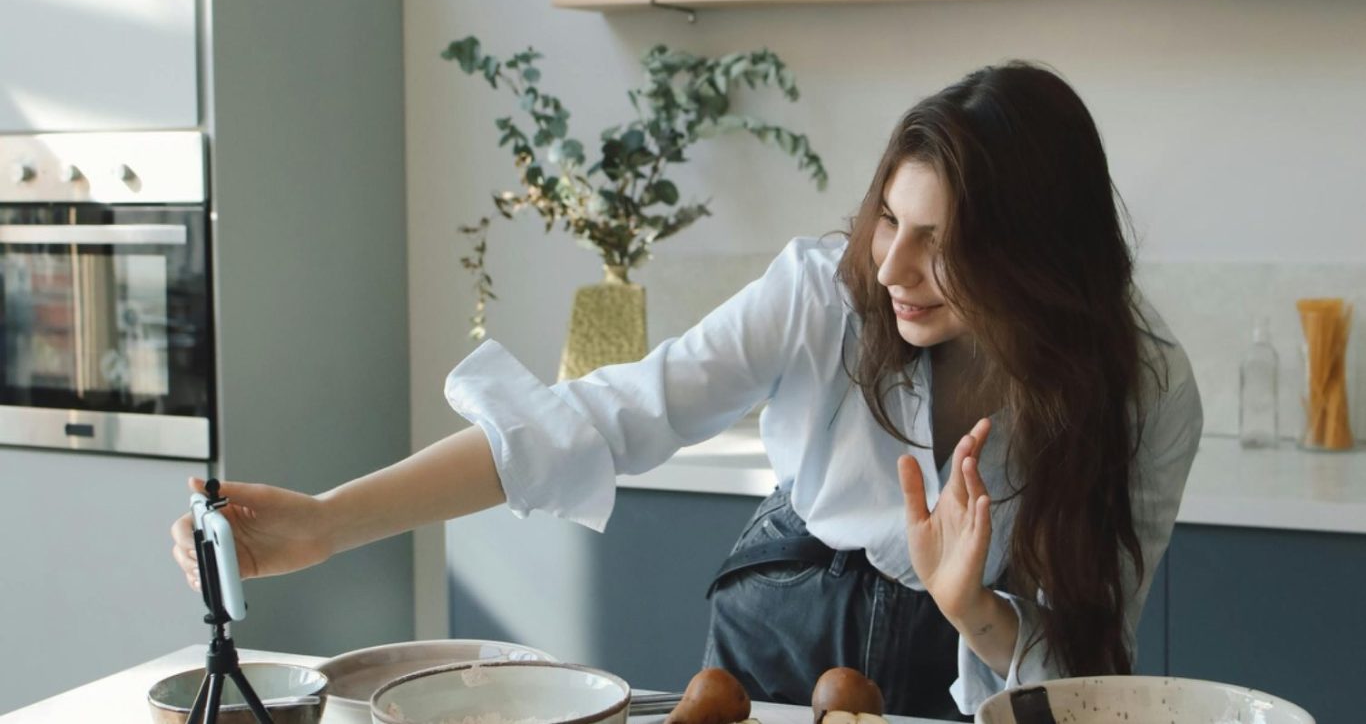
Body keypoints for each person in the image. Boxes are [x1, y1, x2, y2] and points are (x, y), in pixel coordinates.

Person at [171, 61, 1202, 721]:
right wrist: (327, 521)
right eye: (889, 219)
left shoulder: (1143, 395)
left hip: (969, 654)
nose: (891, 268)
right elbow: (604, 415)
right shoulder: (821, 293)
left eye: (943, 245)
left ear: (1035, 257)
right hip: (789, 607)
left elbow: (1086, 661)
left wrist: (972, 607)